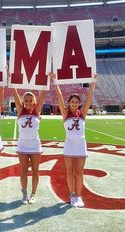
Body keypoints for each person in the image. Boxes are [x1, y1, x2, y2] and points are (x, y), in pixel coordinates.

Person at [50, 73, 97, 207]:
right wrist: (55, 81)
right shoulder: (65, 114)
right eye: (72, 102)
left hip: (81, 144)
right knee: (70, 171)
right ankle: (72, 195)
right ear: (69, 103)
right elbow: (59, 97)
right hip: (69, 144)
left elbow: (88, 99)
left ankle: (78, 195)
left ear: (79, 104)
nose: (74, 104)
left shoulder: (82, 114)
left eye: (76, 102)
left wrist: (93, 82)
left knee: (79, 172)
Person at [13, 88, 46, 204]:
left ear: (34, 102)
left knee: (35, 171)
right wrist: (11, 80)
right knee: (23, 171)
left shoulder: (36, 111)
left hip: (35, 145)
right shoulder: (20, 111)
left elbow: (42, 96)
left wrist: (46, 82)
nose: (28, 102)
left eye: (30, 100)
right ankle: (24, 193)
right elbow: (15, 94)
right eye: (26, 100)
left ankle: (33, 194)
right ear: (23, 102)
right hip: (22, 146)